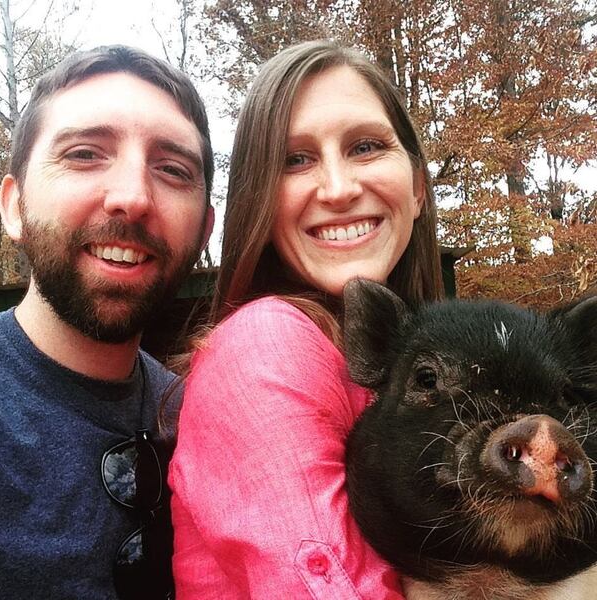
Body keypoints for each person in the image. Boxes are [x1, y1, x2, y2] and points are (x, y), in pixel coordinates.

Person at [170, 40, 444, 598]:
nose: (339, 189)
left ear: (417, 186)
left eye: (366, 146)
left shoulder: (405, 365)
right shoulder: (266, 343)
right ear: (259, 202)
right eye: (295, 159)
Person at [0, 45, 214, 600]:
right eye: (85, 154)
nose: (134, 197)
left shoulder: (202, 422)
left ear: (205, 229)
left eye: (172, 169)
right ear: (14, 206)